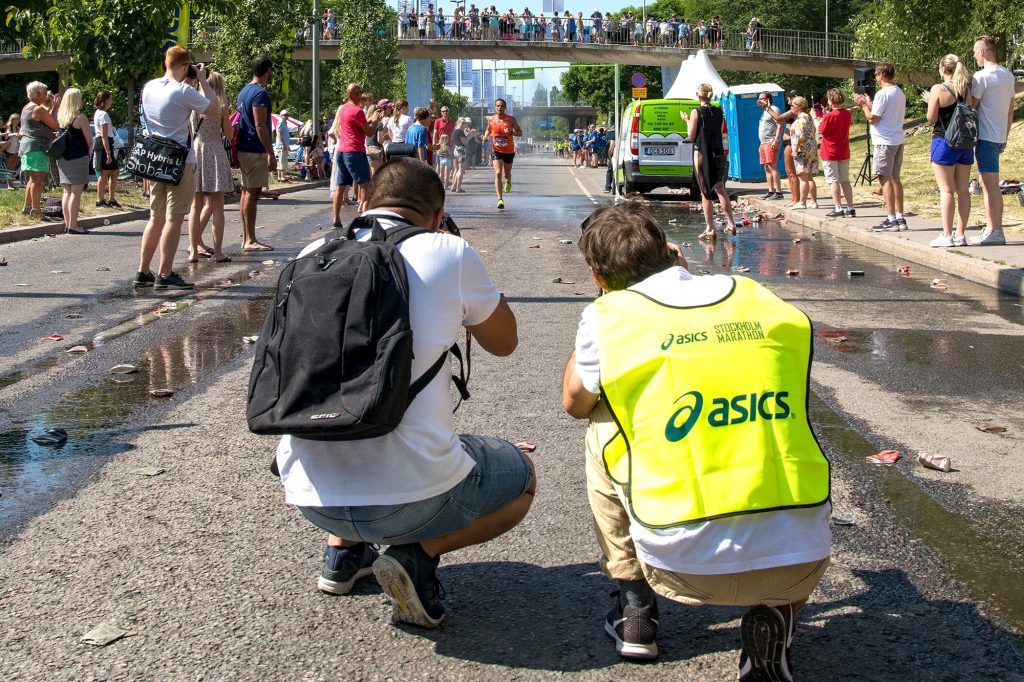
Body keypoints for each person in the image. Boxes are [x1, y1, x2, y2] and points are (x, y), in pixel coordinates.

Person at [561, 201, 831, 674]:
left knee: (604, 421)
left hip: (682, 566)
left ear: (599, 277)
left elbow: (574, 401)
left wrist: (601, 309)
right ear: (670, 251)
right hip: (802, 561)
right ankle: (775, 614)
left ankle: (635, 608)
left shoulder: (611, 315)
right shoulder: (754, 295)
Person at [276, 158, 534, 629]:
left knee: (346, 409)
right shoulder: (448, 251)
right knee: (522, 478)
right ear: (438, 217)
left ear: (363, 202)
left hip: (309, 495)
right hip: (410, 500)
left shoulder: (311, 252)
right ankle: (417, 554)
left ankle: (343, 555)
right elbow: (505, 342)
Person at [134, 48, 219, 290]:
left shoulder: (148, 87)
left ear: (165, 62)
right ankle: (165, 272)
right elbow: (214, 107)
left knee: (155, 217)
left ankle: (143, 270)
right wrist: (202, 79)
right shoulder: (183, 91)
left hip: (154, 158)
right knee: (174, 217)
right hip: (180, 160)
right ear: (185, 66)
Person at [967, 35, 1016, 246]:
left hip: (985, 136)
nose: (975, 56)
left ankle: (995, 230)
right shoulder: (1007, 75)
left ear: (984, 51)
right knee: (991, 184)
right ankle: (992, 228)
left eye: (976, 52)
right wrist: (1004, 135)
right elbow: (1010, 109)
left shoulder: (981, 76)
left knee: (989, 186)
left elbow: (971, 107)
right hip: (998, 136)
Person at [923, 55, 973, 247]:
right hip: (965, 143)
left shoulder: (938, 89)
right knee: (963, 190)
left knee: (946, 190)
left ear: (943, 69)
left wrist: (930, 101)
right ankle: (960, 234)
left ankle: (946, 235)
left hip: (944, 141)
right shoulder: (965, 89)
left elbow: (931, 118)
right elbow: (969, 109)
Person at [187, 71, 235, 264]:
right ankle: (218, 252)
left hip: (196, 151)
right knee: (218, 208)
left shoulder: (194, 105)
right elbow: (229, 135)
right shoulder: (221, 106)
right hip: (215, 152)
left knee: (195, 206)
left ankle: (193, 251)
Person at [854, 62, 907, 232]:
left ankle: (891, 219)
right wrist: (869, 103)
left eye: (876, 75)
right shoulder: (899, 92)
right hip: (897, 139)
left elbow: (873, 118)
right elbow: (884, 113)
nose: (875, 78)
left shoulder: (883, 93)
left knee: (885, 180)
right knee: (895, 178)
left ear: (882, 74)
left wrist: (863, 106)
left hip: (884, 141)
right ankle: (900, 217)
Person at [235, 55, 276, 253]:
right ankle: (250, 240)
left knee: (246, 191)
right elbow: (260, 126)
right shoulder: (259, 94)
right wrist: (271, 152)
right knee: (252, 192)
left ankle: (246, 238)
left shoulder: (244, 91)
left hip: (244, 147)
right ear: (267, 70)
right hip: (254, 148)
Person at [686, 83, 735, 240]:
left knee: (705, 192)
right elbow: (720, 131)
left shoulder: (696, 112)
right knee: (720, 188)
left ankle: (710, 228)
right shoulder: (719, 111)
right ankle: (731, 223)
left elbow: (691, 135)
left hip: (702, 154)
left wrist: (687, 120)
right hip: (718, 153)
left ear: (699, 96)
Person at [19, 81, 60, 223]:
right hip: (37, 147)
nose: (46, 94)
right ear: (37, 93)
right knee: (38, 180)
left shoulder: (26, 108)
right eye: (44, 92)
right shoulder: (38, 109)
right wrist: (55, 108)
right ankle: (36, 211)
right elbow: (54, 124)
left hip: (27, 146)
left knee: (33, 178)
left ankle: (27, 207)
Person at [55, 88, 92, 235]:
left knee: (67, 192)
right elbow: (89, 140)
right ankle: (73, 225)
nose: (82, 101)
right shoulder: (80, 118)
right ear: (76, 100)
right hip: (78, 157)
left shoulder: (61, 117)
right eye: (80, 98)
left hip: (63, 157)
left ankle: (67, 223)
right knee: (76, 193)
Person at [818, 88, 855, 218]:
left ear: (831, 100)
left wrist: (822, 117)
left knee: (833, 180)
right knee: (845, 180)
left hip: (830, 151)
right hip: (844, 150)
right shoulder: (847, 114)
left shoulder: (829, 116)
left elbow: (821, 130)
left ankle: (838, 207)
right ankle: (850, 207)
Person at [482, 98, 521, 210]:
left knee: (506, 174)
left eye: (501, 106)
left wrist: (511, 132)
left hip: (509, 151)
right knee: (498, 173)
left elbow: (520, 132)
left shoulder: (511, 119)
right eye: (497, 106)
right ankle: (500, 199)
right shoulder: (491, 119)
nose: (499, 108)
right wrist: (485, 136)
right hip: (496, 150)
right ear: (495, 107)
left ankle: (508, 180)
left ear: (505, 107)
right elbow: (488, 130)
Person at [788, 97, 819, 211]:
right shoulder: (808, 117)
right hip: (811, 147)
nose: (791, 107)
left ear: (799, 106)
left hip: (802, 149)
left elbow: (799, 136)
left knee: (803, 177)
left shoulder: (801, 119)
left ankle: (802, 202)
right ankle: (813, 201)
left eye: (793, 105)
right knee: (809, 176)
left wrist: (795, 150)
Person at [92, 91, 120, 208]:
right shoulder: (103, 114)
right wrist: (108, 153)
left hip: (106, 143)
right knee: (104, 173)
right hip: (104, 144)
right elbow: (104, 135)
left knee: (115, 171)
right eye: (110, 99)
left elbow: (110, 128)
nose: (111, 101)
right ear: (104, 101)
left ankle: (112, 198)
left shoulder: (100, 113)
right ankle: (100, 199)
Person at [755, 91, 784, 200]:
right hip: (763, 143)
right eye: (759, 98)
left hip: (770, 142)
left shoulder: (774, 109)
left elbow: (779, 122)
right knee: (766, 167)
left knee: (772, 166)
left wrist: (776, 140)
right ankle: (771, 191)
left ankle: (779, 192)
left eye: (761, 98)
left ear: (768, 99)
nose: (759, 101)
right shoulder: (764, 112)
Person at [432, 105, 455, 172]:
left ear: (448, 112)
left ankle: (447, 177)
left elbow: (453, 133)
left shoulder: (452, 122)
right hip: (440, 144)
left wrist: (454, 143)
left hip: (450, 144)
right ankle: (439, 178)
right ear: (441, 113)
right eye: (443, 111)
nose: (445, 112)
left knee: (449, 161)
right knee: (439, 163)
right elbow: (435, 133)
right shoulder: (437, 121)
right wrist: (434, 144)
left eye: (446, 111)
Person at [450, 118, 469, 193]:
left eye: (464, 123)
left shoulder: (454, 131)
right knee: (461, 170)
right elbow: (465, 142)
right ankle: (458, 188)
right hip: (461, 150)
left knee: (456, 169)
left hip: (455, 150)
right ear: (458, 123)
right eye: (462, 123)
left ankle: (453, 186)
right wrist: (469, 137)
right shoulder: (460, 132)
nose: (464, 124)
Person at [274, 108, 291, 182]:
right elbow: (279, 134)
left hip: (284, 145)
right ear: (281, 116)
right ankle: (282, 177)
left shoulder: (284, 123)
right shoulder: (280, 122)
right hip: (281, 145)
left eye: (287, 115)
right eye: (285, 115)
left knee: (282, 161)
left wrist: (287, 145)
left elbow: (285, 136)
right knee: (282, 161)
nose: (287, 116)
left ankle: (280, 177)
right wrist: (283, 144)